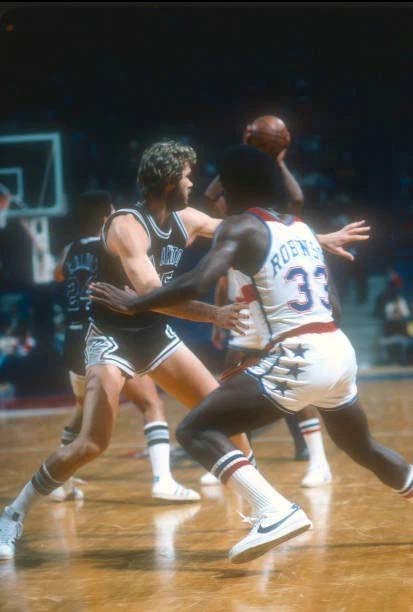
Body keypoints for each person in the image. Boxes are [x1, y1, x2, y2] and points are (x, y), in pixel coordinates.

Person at [0, 141, 371, 561]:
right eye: (187, 176)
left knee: (227, 420)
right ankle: (12, 515)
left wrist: (317, 238)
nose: (193, 183)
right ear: (167, 181)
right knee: (92, 443)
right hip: (111, 338)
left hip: (155, 336)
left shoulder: (187, 218)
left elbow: (256, 232)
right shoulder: (126, 225)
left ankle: (266, 509)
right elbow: (152, 294)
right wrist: (214, 314)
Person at [89, 145, 412, 565]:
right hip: (338, 349)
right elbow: (334, 306)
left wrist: (135, 303)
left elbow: (198, 282)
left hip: (302, 356)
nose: (214, 191)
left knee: (195, 430)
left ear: (236, 187)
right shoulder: (299, 228)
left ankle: (274, 510)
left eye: (222, 184)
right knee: (363, 447)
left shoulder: (241, 226)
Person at [52, 190, 199, 503]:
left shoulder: (70, 249)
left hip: (73, 340)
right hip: (101, 334)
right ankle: (163, 480)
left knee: (83, 411)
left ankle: (60, 484)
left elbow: (58, 274)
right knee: (150, 404)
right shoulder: (112, 244)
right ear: (108, 215)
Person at [206, 150, 331, 486]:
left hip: (271, 311)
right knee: (230, 382)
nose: (221, 198)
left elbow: (297, 198)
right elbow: (210, 196)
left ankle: (318, 460)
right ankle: (241, 460)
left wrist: (274, 159)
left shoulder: (269, 223)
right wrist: (244, 154)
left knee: (292, 380)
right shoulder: (230, 223)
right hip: (244, 313)